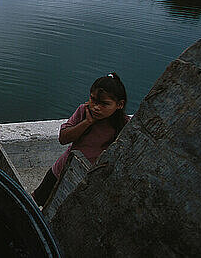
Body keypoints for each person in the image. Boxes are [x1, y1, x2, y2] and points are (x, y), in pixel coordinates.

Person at [31, 72, 129, 207]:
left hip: (86, 180)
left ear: (119, 104)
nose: (96, 107)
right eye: (93, 100)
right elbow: (63, 138)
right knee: (35, 202)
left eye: (104, 104)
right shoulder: (83, 111)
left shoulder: (124, 125)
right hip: (61, 170)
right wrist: (87, 122)